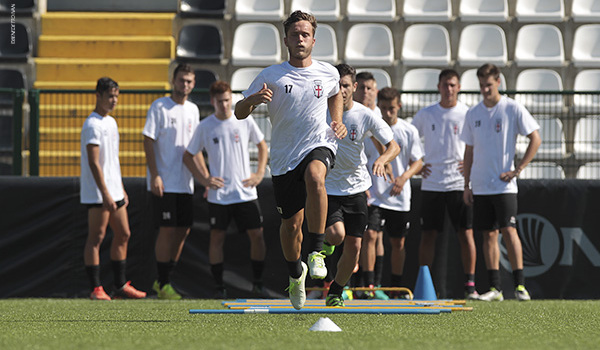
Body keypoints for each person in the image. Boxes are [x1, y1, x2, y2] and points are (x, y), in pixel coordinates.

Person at [235, 10, 347, 310]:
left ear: (314, 39)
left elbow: (336, 94)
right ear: (285, 39)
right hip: (284, 158)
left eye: (305, 34)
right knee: (290, 226)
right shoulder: (271, 75)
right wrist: (251, 101)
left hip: (319, 144)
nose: (300, 39)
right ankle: (296, 273)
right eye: (295, 34)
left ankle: (317, 253)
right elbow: (238, 111)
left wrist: (336, 120)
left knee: (316, 177)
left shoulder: (328, 72)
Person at [461, 63, 541, 301]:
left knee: (509, 230)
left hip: (504, 185)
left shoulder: (512, 108)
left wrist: (518, 169)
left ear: (498, 82)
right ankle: (495, 288)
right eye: (482, 85)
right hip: (481, 185)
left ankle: (519, 286)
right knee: (488, 235)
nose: (485, 89)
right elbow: (468, 151)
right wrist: (467, 184)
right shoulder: (473, 113)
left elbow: (535, 138)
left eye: (489, 84)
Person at [322, 64, 399, 307]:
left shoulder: (365, 114)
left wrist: (382, 159)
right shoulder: (320, 112)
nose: (341, 90)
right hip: (329, 188)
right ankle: (324, 243)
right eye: (337, 85)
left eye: (346, 85)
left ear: (354, 88)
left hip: (357, 189)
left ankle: (336, 291)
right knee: (336, 235)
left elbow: (393, 146)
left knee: (355, 248)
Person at [183, 80, 268, 298]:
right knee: (216, 238)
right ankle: (218, 286)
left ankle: (257, 282)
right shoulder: (205, 126)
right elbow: (189, 155)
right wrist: (205, 179)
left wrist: (259, 174)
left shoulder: (244, 122)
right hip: (219, 195)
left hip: (245, 191)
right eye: (220, 101)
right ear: (212, 102)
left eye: (228, 100)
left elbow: (262, 146)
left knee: (257, 236)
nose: (225, 105)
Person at [412, 69, 479, 300]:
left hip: (458, 183)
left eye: (452, 85)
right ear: (438, 86)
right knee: (428, 235)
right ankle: (424, 283)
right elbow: (409, 140)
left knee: (465, 233)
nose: (448, 89)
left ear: (458, 87)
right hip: (432, 183)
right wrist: (418, 165)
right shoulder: (426, 114)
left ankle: (470, 285)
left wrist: (470, 164)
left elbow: (480, 143)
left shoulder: (468, 114)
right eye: (444, 85)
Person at [80, 77, 146, 300]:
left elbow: (112, 161)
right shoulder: (92, 124)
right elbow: (94, 162)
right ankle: (96, 288)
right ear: (98, 96)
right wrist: (106, 193)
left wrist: (120, 188)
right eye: (110, 96)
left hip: (114, 190)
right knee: (96, 237)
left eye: (116, 96)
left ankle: (119, 285)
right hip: (98, 193)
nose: (114, 100)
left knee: (124, 233)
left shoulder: (111, 122)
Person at [143, 63, 199, 300]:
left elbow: (194, 149)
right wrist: (154, 174)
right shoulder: (160, 106)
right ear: (173, 81)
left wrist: (204, 179)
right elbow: (148, 139)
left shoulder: (194, 110)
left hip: (186, 183)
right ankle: (163, 282)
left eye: (188, 81)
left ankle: (165, 278)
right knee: (166, 229)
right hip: (165, 181)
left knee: (183, 229)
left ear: (193, 84)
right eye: (181, 80)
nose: (184, 84)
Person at [369, 87, 424, 297]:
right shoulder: (373, 128)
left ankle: (394, 287)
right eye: (383, 108)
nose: (388, 113)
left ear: (398, 106)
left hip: (399, 196)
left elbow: (418, 162)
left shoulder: (408, 131)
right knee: (371, 235)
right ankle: (369, 285)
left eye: (391, 108)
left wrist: (403, 177)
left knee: (398, 242)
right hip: (376, 194)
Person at [353, 71, 388, 300]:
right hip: (352, 185)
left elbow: (389, 148)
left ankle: (370, 285)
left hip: (376, 189)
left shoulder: (377, 118)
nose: (366, 92)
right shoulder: (348, 113)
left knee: (374, 236)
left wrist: (385, 161)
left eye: (370, 88)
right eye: (362, 88)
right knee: (348, 236)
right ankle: (342, 284)